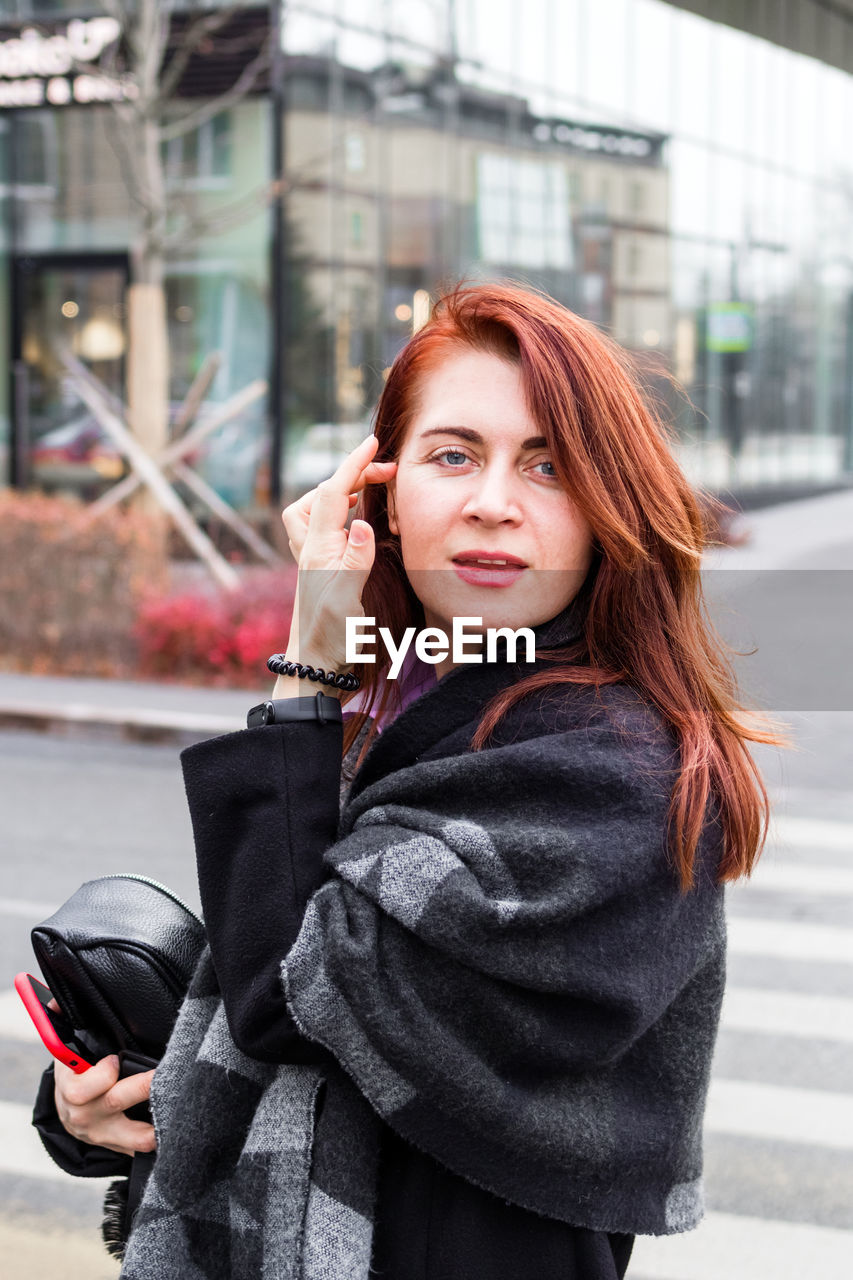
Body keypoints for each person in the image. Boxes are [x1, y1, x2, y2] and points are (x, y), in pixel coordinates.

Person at [37, 282, 787, 1279]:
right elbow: (280, 1019)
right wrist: (103, 1109)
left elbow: (287, 993)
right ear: (382, 487)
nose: (491, 500)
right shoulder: (390, 699)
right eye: (452, 453)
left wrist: (307, 660)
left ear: (605, 506)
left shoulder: (606, 765)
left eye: (547, 464)